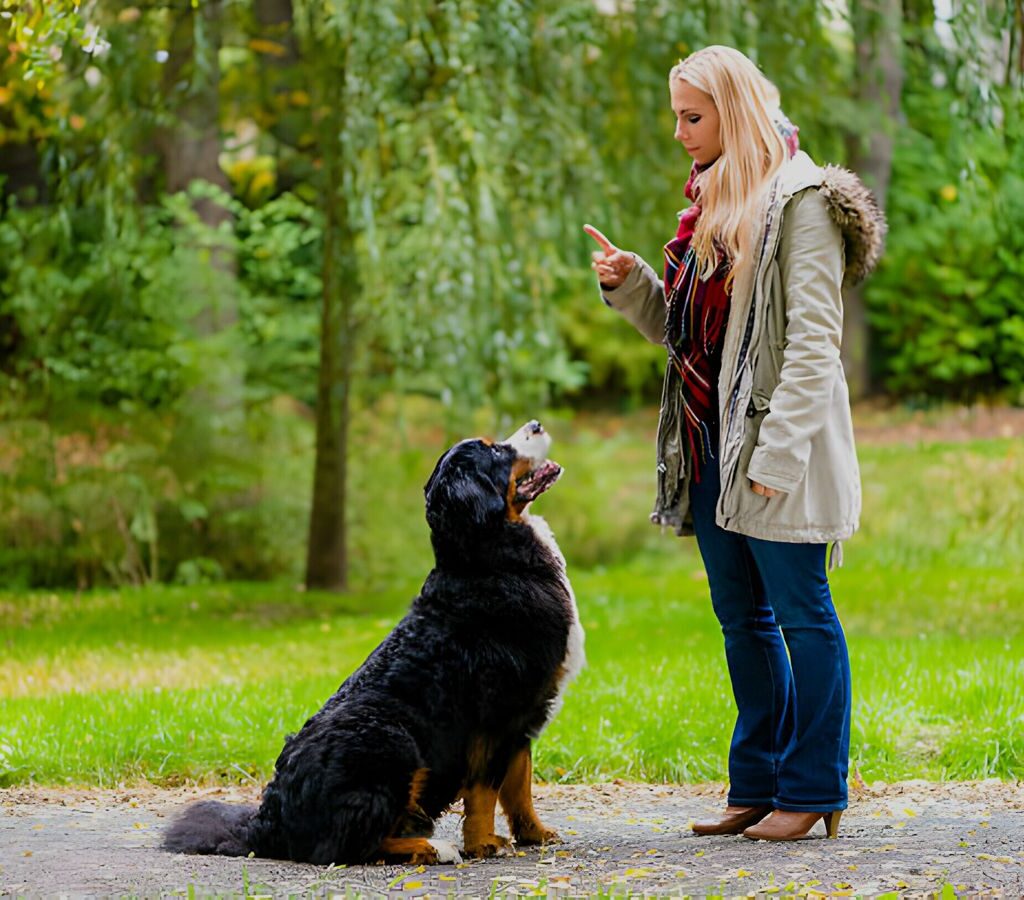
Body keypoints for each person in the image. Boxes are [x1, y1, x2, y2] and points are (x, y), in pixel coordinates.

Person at [584, 45, 885, 842]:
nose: (680, 132)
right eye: (676, 115)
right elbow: (688, 338)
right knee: (741, 620)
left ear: (734, 109)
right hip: (708, 443)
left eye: (693, 115)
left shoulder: (803, 201)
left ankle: (816, 786)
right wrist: (631, 284)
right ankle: (757, 782)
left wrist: (777, 459)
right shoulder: (710, 202)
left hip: (774, 452)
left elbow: (816, 345)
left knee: (802, 613)